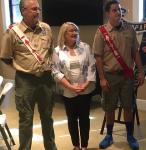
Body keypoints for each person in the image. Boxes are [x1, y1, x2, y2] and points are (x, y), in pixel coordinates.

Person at [0, 0, 57, 149]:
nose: (37, 12)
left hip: (45, 80)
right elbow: (5, 57)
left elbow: (50, 50)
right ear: (23, 11)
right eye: (33, 9)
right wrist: (21, 67)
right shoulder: (12, 32)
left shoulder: (46, 28)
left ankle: (51, 147)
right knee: (25, 119)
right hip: (25, 82)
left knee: (47, 118)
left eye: (38, 9)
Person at [92, 0, 144, 150]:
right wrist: (101, 78)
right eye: (115, 10)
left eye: (120, 10)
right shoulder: (101, 32)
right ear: (108, 13)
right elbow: (98, 57)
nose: (119, 13)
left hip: (127, 76)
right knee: (110, 108)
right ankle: (109, 136)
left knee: (128, 106)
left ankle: (130, 135)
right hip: (110, 76)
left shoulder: (129, 29)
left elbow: (135, 52)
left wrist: (140, 71)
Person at [52, 22, 96, 150]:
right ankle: (76, 145)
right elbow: (55, 72)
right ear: (63, 34)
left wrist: (86, 84)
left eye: (76, 30)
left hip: (85, 90)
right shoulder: (57, 51)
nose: (75, 33)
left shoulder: (85, 47)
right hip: (68, 92)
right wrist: (71, 87)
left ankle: (84, 146)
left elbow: (92, 67)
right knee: (72, 119)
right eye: (71, 31)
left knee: (84, 118)